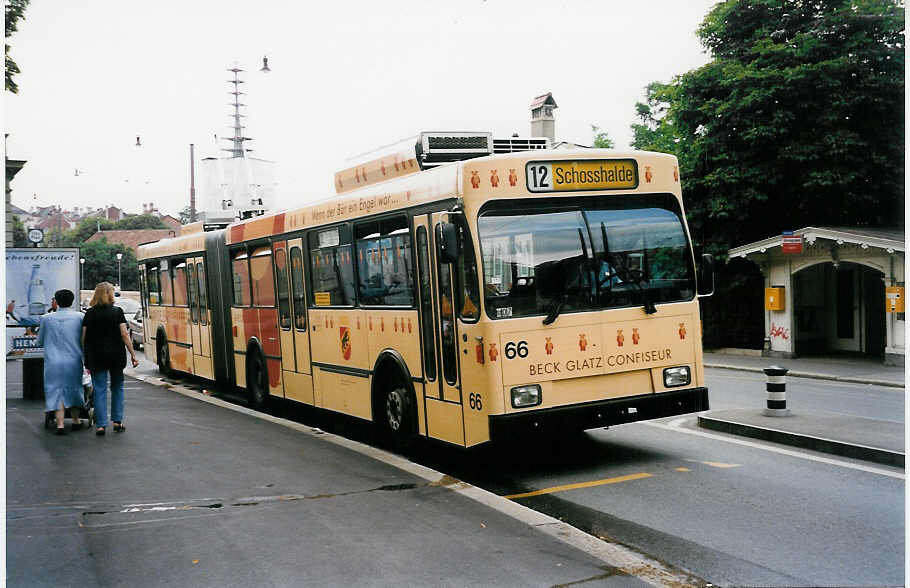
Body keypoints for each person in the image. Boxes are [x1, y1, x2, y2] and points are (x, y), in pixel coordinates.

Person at [82, 282, 138, 436]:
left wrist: (85, 354)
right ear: (111, 294)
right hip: (115, 356)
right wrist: (132, 354)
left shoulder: (89, 314)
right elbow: (124, 334)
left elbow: (84, 337)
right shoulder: (117, 312)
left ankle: (101, 425)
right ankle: (117, 421)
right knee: (117, 387)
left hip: (96, 356)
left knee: (99, 389)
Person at [34, 289, 85, 434]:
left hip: (53, 362)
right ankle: (76, 420)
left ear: (56, 301)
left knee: (55, 390)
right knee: (74, 388)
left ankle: (60, 424)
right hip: (74, 360)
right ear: (72, 301)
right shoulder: (80, 317)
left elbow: (40, 341)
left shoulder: (46, 318)